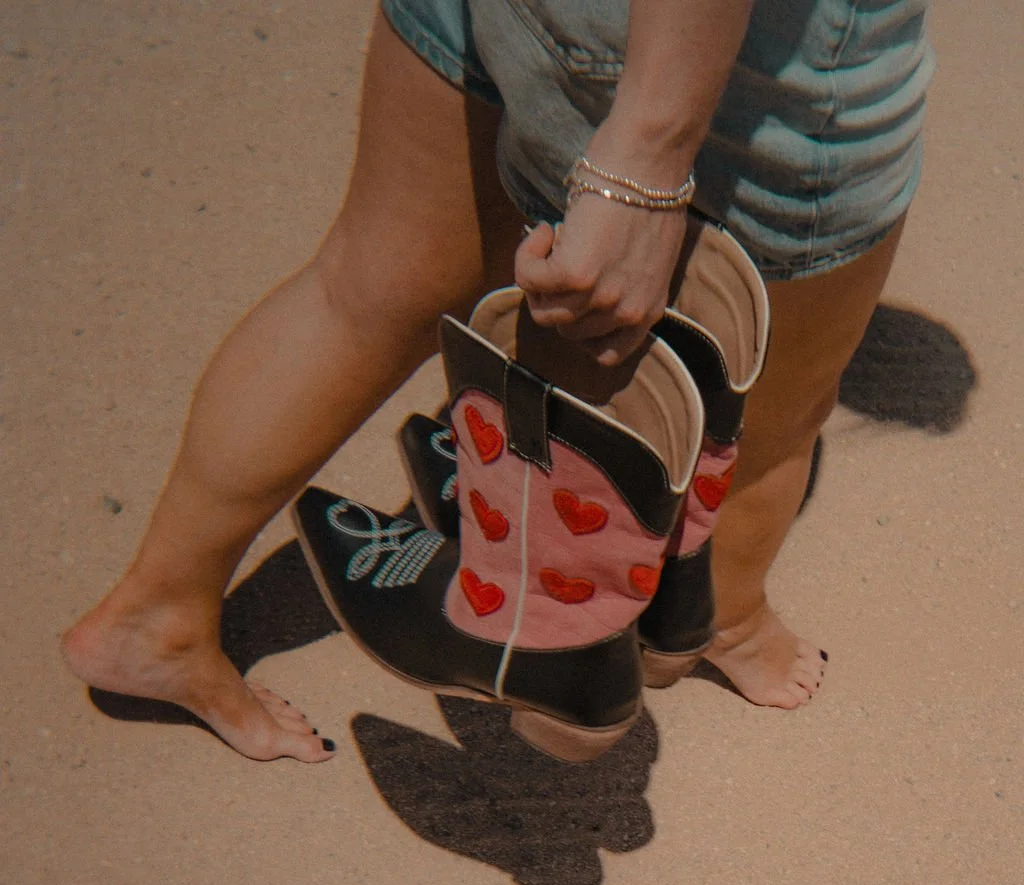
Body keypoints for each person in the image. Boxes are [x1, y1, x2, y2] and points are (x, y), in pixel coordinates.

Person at [62, 0, 932, 762]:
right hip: (736, 45)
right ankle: (675, 627)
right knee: (780, 409)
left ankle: (156, 616)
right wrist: (647, 162)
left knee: (366, 287)